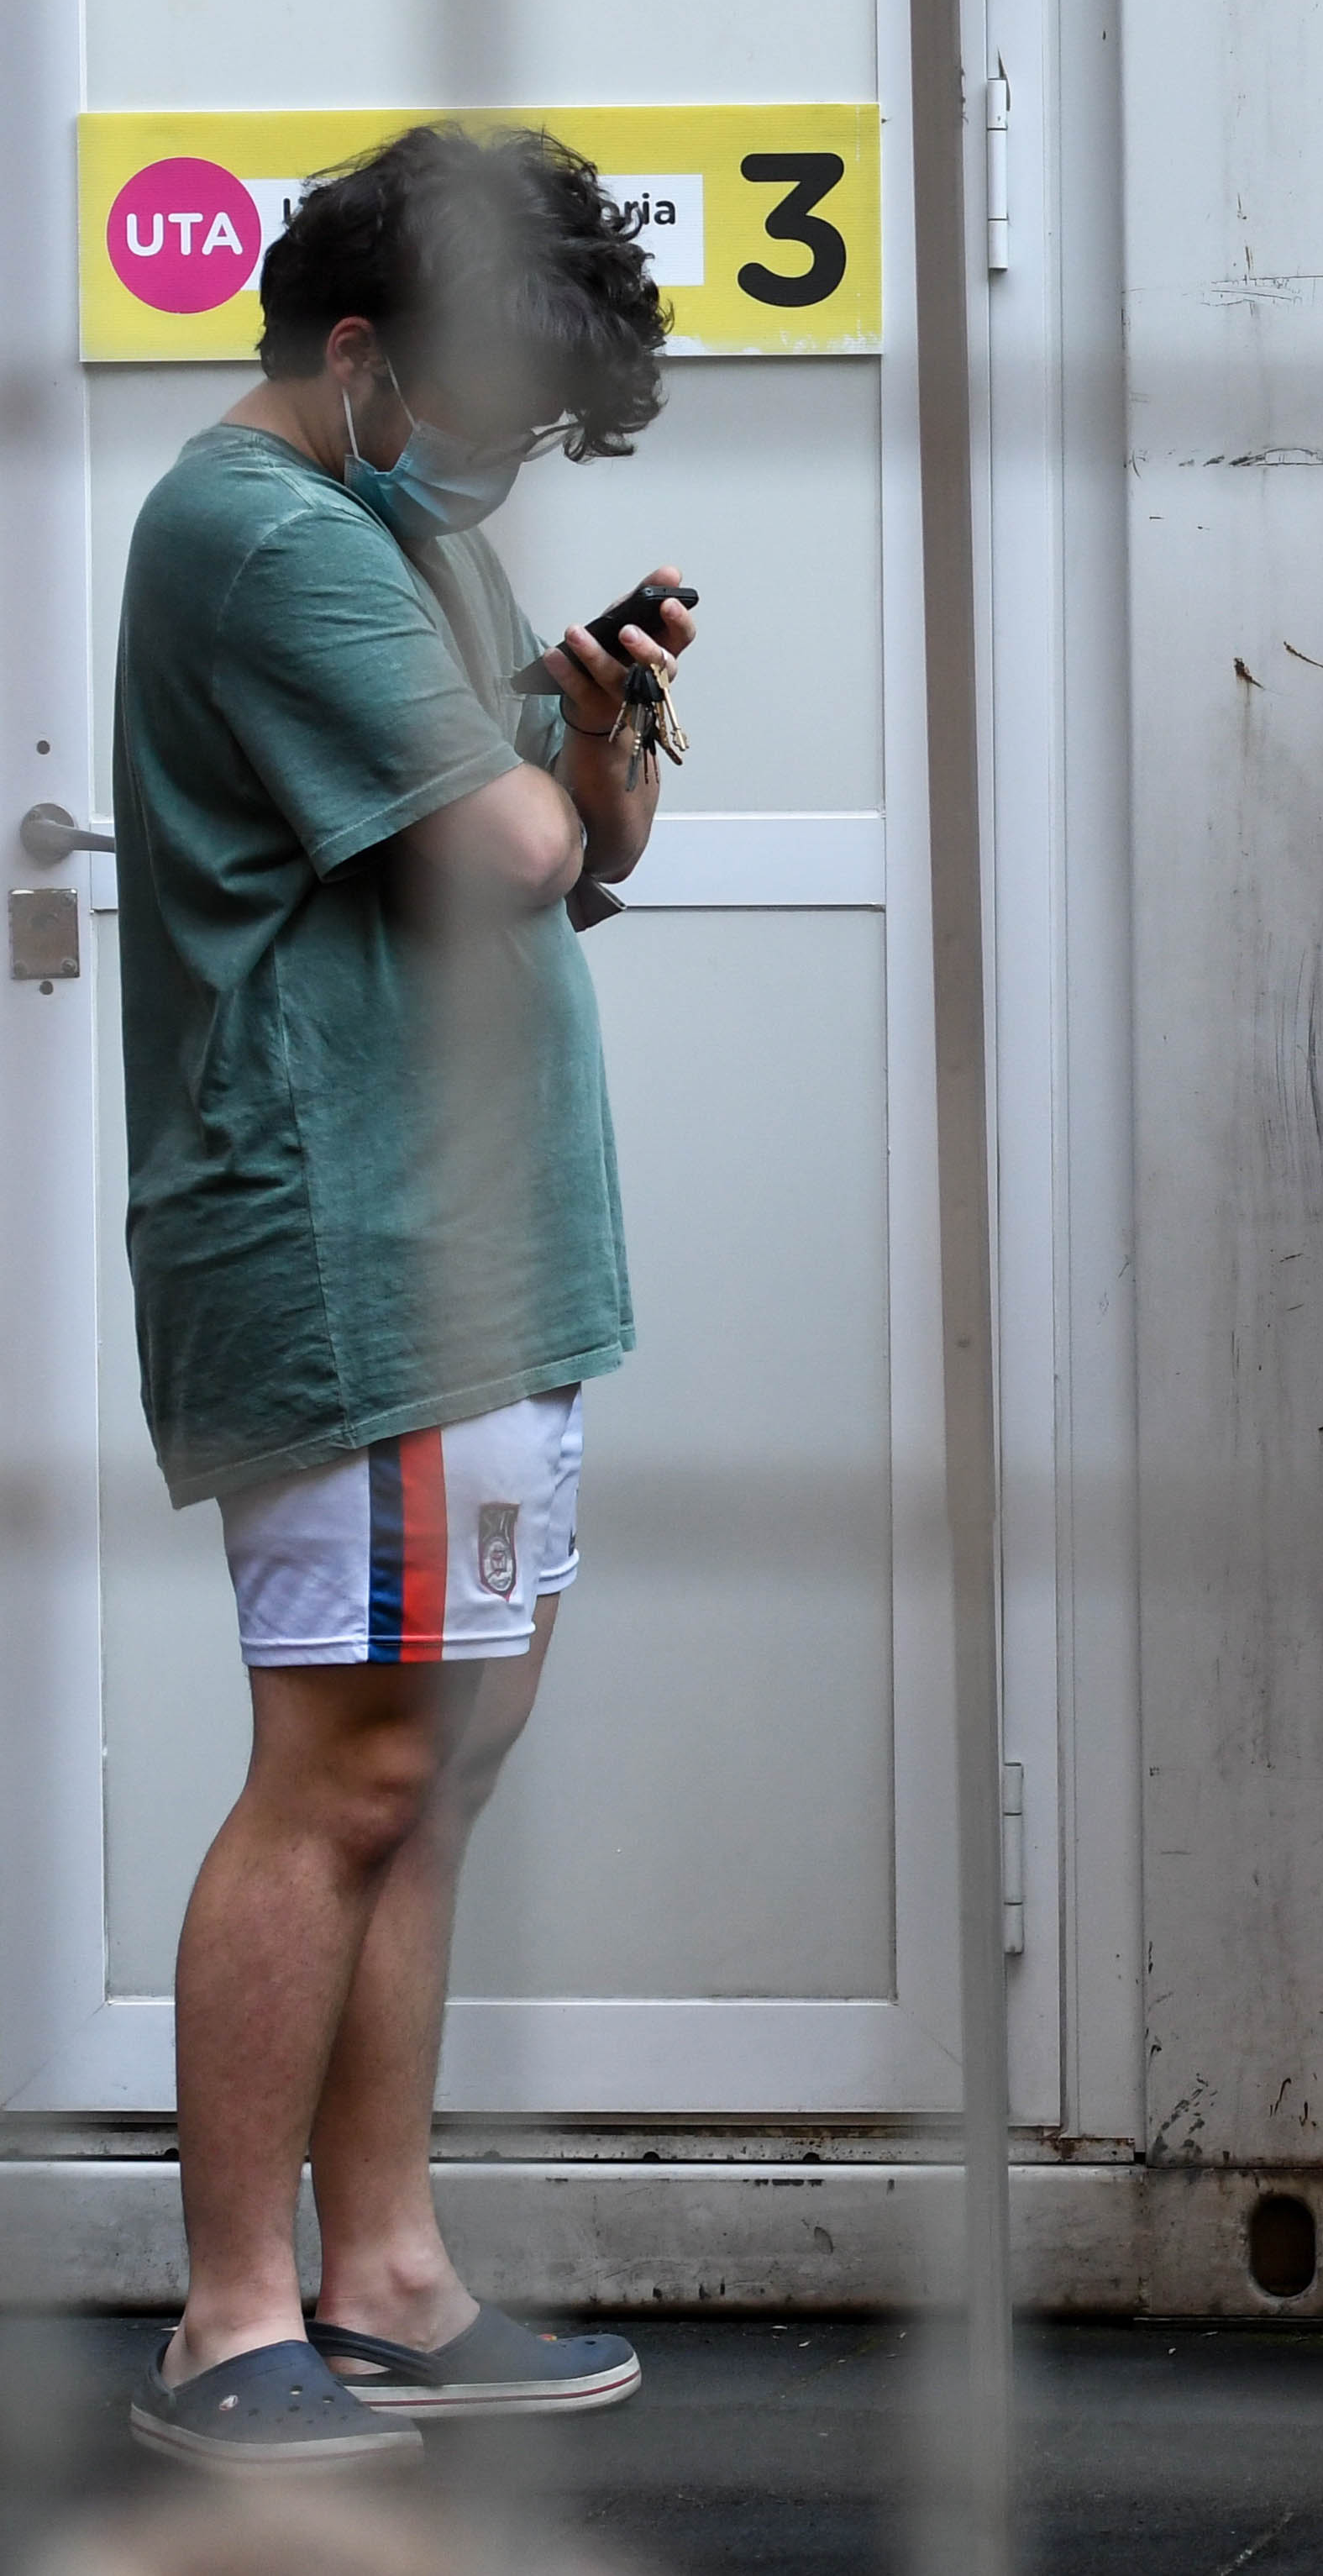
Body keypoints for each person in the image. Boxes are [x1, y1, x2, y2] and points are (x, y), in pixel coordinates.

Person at [113, 124, 689, 2471]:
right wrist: (560, 769)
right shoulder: (256, 531)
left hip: (491, 1243)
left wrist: (603, 723)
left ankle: (387, 2271)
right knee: (337, 1772)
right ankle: (231, 2305)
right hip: (353, 1240)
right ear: (358, 349)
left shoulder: (402, 529)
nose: (516, 455)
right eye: (497, 404)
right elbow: (504, 850)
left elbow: (591, 857)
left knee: (430, 1783)